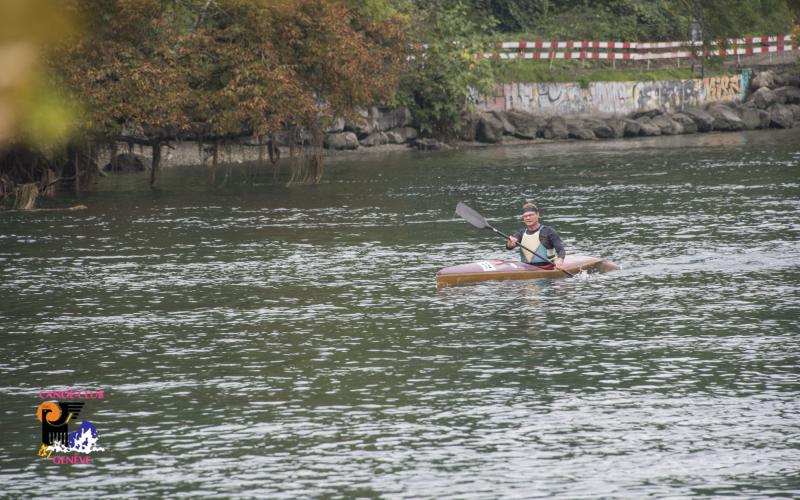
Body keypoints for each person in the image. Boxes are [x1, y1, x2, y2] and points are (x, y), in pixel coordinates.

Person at [506, 202, 565, 269]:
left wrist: (560, 259)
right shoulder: (521, 233)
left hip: (547, 267)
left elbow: (560, 250)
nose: (528, 218)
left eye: (531, 215)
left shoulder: (549, 231)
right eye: (525, 216)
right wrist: (510, 244)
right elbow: (509, 247)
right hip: (526, 268)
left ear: (538, 215)